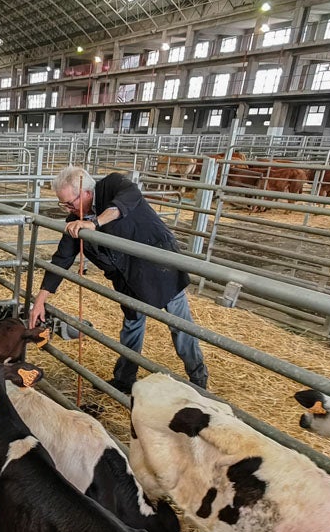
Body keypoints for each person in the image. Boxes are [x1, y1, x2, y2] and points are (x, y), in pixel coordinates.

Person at [28, 166, 208, 401]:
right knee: (132, 327)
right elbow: (62, 258)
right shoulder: (75, 219)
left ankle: (198, 380)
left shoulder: (112, 185)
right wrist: (40, 299)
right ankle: (125, 378)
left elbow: (129, 199)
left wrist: (95, 223)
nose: (68, 209)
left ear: (86, 193)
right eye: (64, 205)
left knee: (179, 326)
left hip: (159, 269)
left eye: (69, 203)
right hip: (126, 279)